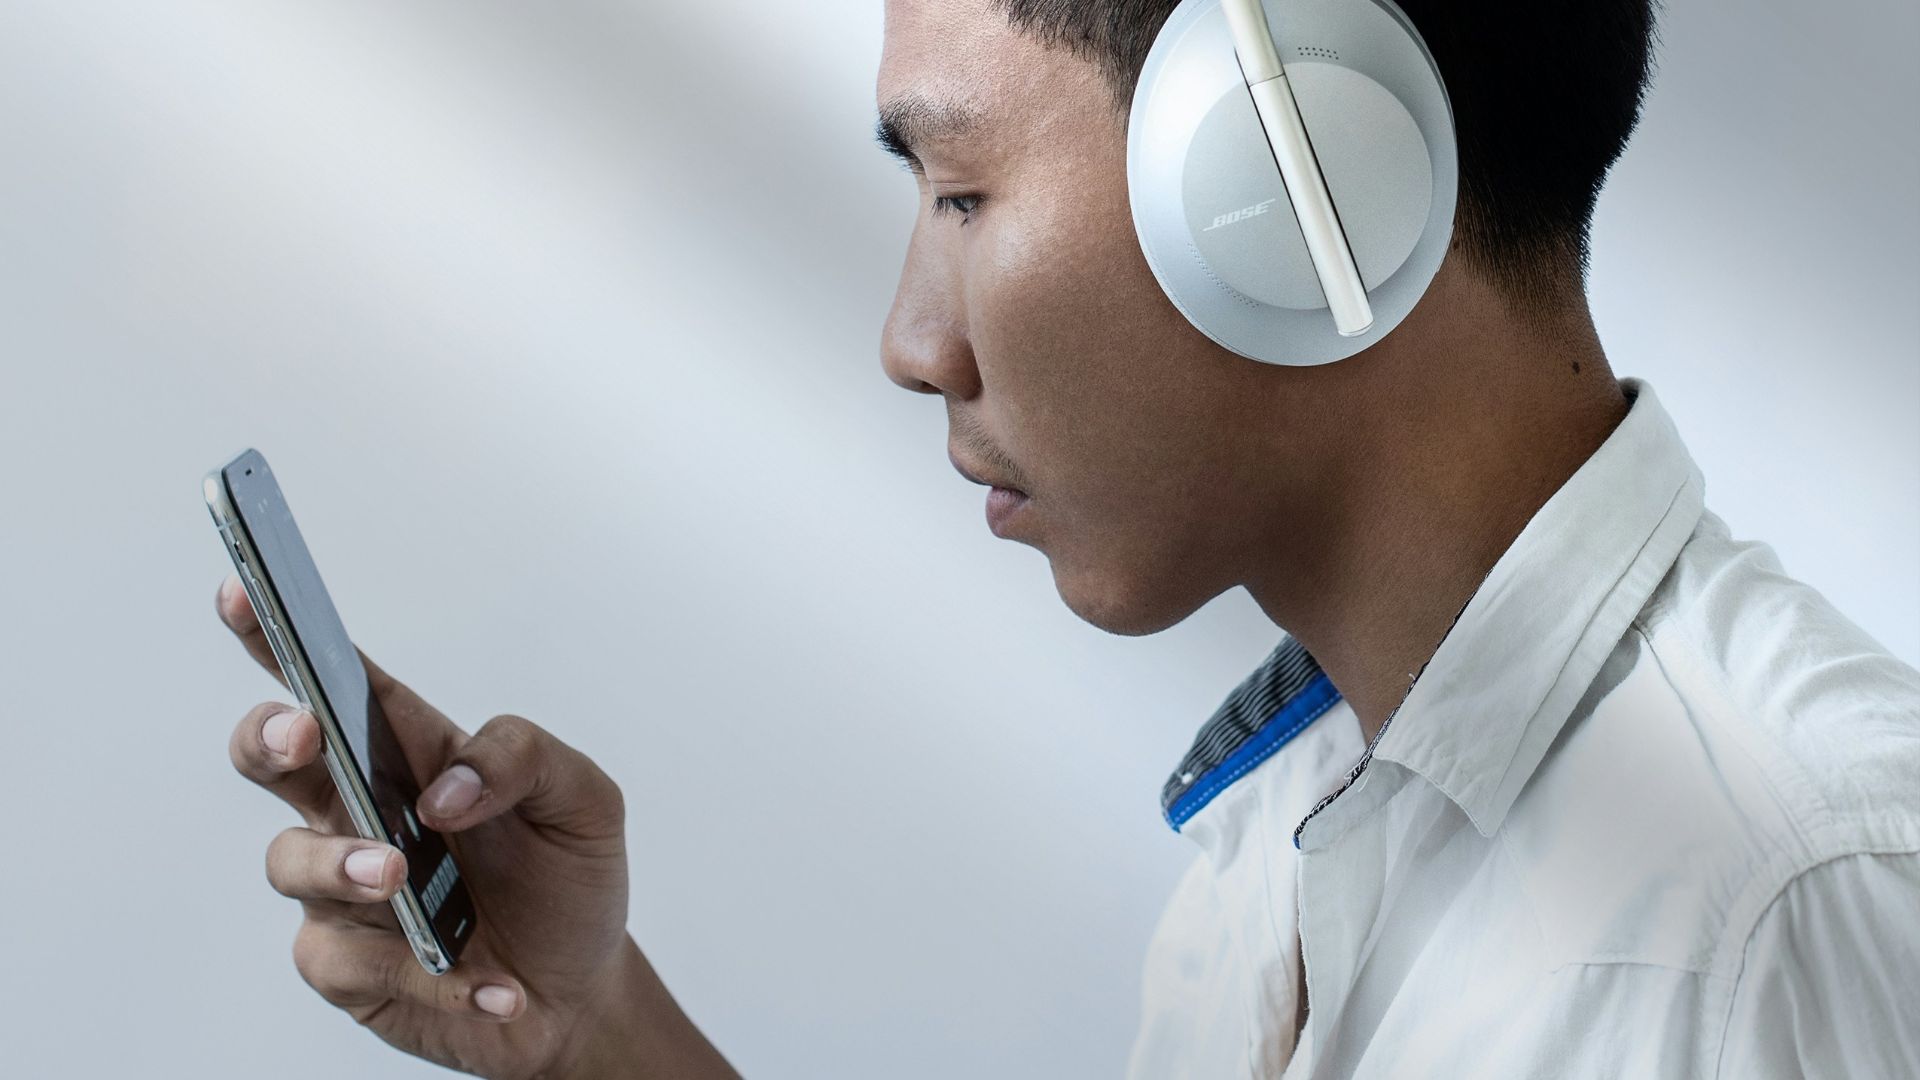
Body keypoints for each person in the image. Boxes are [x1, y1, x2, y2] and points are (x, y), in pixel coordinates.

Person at [215, 1, 1920, 1077]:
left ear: (1304, 179)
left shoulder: (1797, 903)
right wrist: (593, 1034)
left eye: (961, 194)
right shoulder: (1297, 832)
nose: (912, 340)